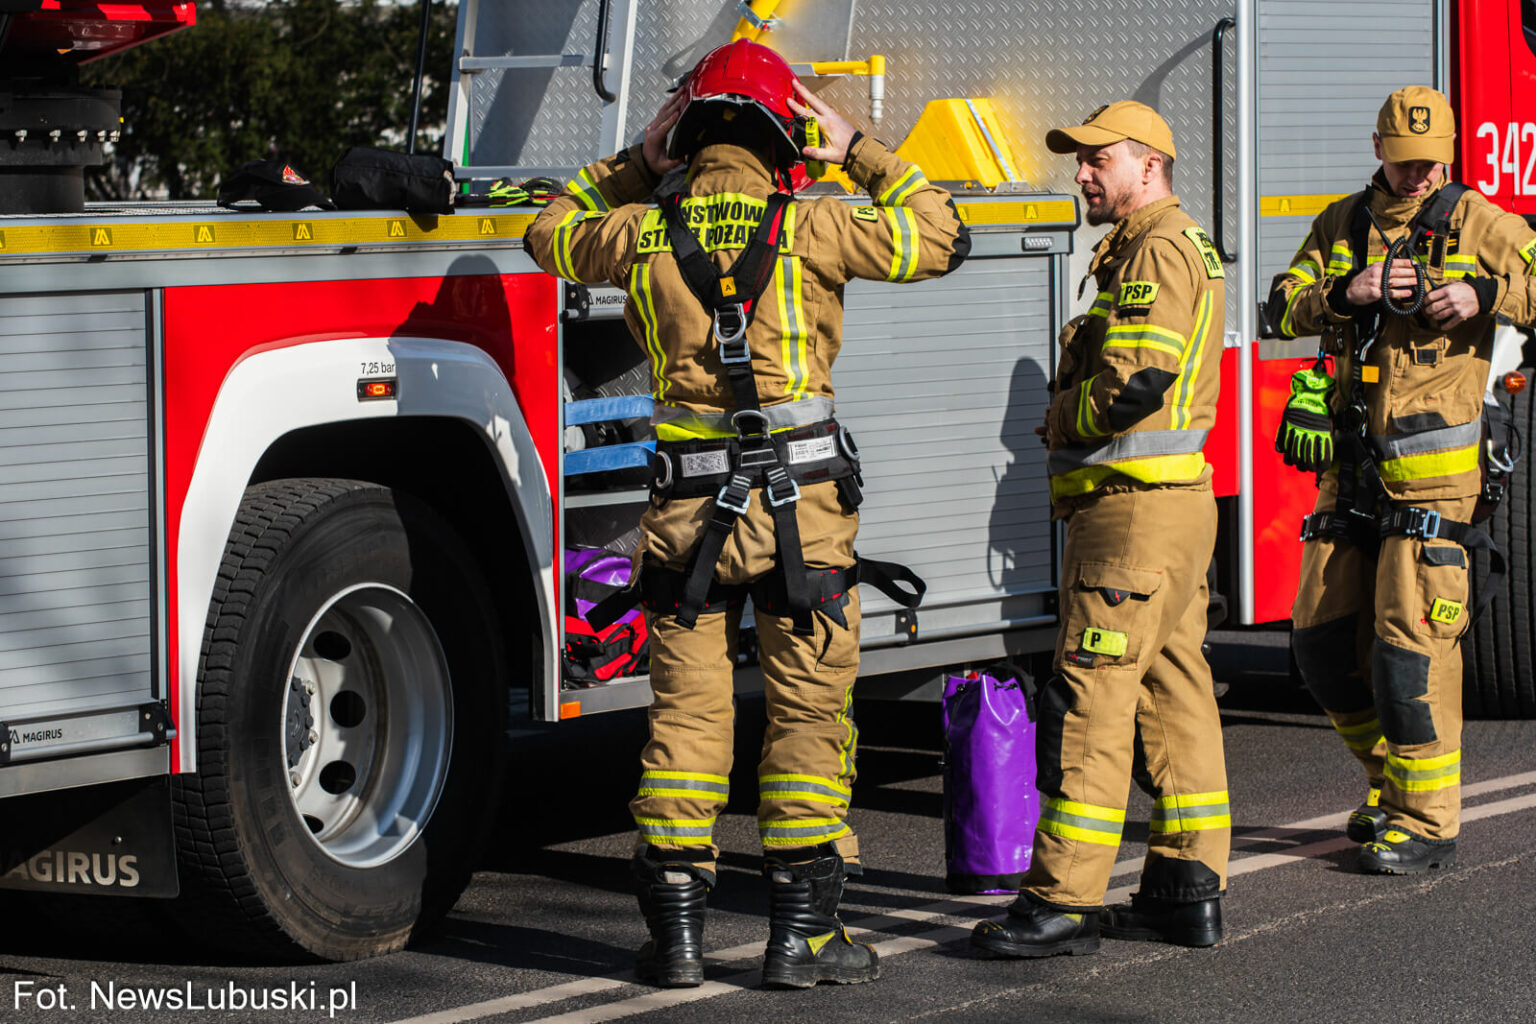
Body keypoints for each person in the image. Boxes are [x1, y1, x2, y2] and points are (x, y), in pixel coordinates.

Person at [526, 39, 968, 989]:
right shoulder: (816, 222)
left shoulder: (638, 232)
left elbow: (547, 230)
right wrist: (859, 148)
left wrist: (632, 166)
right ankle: (798, 940)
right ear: (786, 135)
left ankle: (677, 941)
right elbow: (943, 237)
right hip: (804, 517)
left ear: (688, 136)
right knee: (808, 713)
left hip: (684, 518)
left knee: (685, 725)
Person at [970, 101, 1230, 958]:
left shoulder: (1154, 248)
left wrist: (1059, 422)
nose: (1081, 173)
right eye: (1079, 160)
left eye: (1098, 160)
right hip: (1172, 509)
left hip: (1130, 513)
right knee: (1174, 690)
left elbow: (1133, 385)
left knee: (1091, 695)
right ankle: (1186, 888)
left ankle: (1060, 898)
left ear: (1149, 164)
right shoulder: (1166, 241)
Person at [1267, 86, 1536, 874]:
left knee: (1409, 652)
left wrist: (1486, 294)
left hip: (1436, 486)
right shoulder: (1342, 224)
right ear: (1377, 149)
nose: (1420, 174)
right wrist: (1341, 295)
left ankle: (1425, 823)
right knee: (1319, 646)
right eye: (1405, 160)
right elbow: (1278, 309)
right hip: (1350, 477)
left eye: (1432, 161)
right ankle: (1391, 786)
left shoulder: (1479, 221)